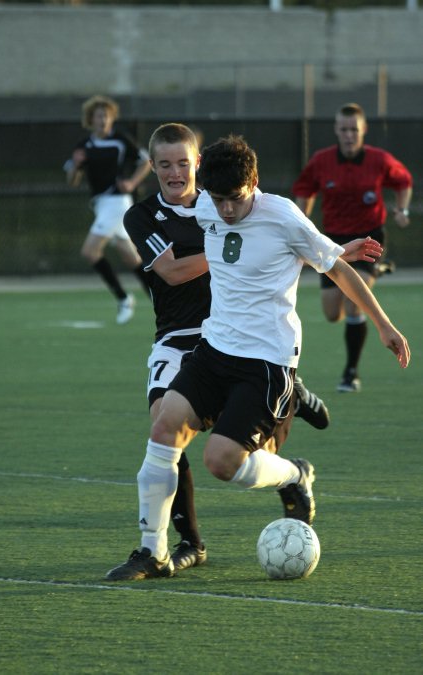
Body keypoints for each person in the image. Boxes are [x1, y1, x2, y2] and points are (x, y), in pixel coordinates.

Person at [105, 132, 405, 582]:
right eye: (219, 199)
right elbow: (241, 255)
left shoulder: (283, 215)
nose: (226, 210)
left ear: (255, 183)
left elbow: (336, 269)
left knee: (221, 464)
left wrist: (384, 325)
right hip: (213, 349)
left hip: (266, 361)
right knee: (164, 425)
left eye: (236, 199)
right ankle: (154, 552)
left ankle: (294, 475)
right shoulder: (206, 204)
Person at [292, 102, 413, 392]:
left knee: (354, 303)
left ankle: (350, 374)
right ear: (336, 130)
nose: (349, 135)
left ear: (363, 131)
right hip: (333, 241)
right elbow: (304, 191)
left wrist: (402, 210)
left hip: (369, 238)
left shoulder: (379, 160)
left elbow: (404, 181)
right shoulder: (321, 161)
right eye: (344, 129)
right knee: (333, 313)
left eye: (354, 130)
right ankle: (377, 274)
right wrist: (301, 223)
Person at [65, 95, 152, 324]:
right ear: (90, 120)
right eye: (98, 116)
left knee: (90, 251)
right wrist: (74, 165)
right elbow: (73, 180)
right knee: (131, 257)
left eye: (107, 116)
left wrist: (132, 183)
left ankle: (123, 298)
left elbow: (147, 161)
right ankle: (161, 298)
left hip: (117, 202)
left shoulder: (121, 139)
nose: (103, 120)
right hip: (101, 205)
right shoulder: (84, 145)